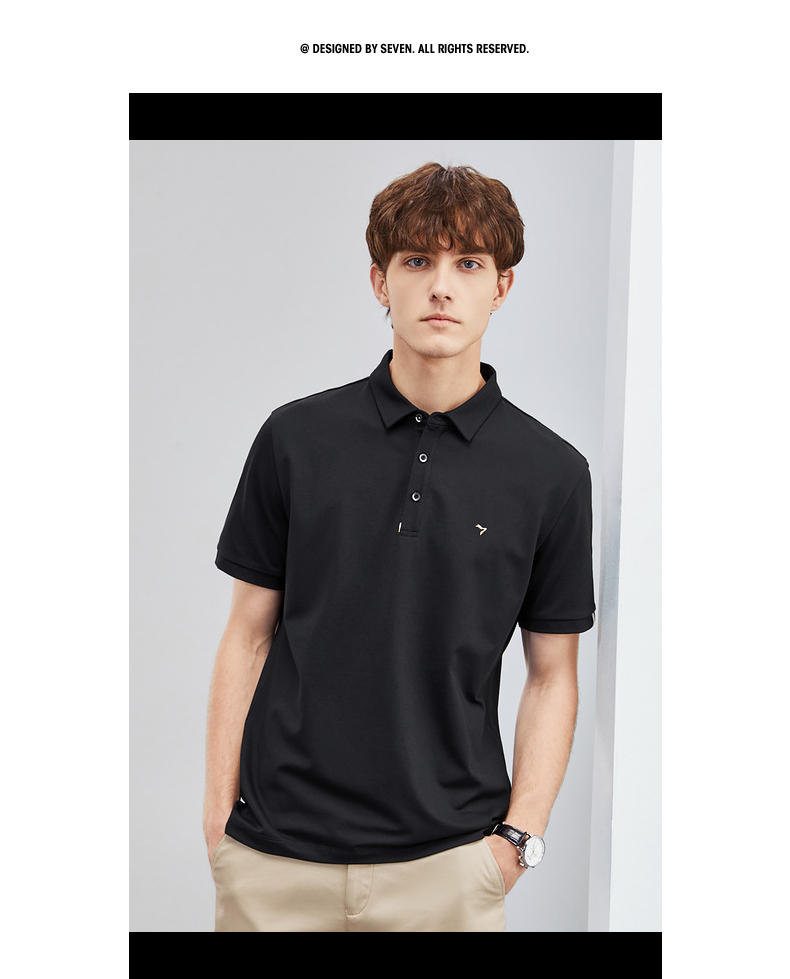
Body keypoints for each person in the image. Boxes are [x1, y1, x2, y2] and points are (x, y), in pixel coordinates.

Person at [203, 162, 596, 933]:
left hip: (448, 869)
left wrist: (517, 840)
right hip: (274, 862)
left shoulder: (551, 472)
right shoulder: (296, 438)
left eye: (468, 263)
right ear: (379, 280)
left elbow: (553, 674)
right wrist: (220, 822)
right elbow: (246, 635)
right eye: (417, 260)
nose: (440, 287)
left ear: (502, 286)